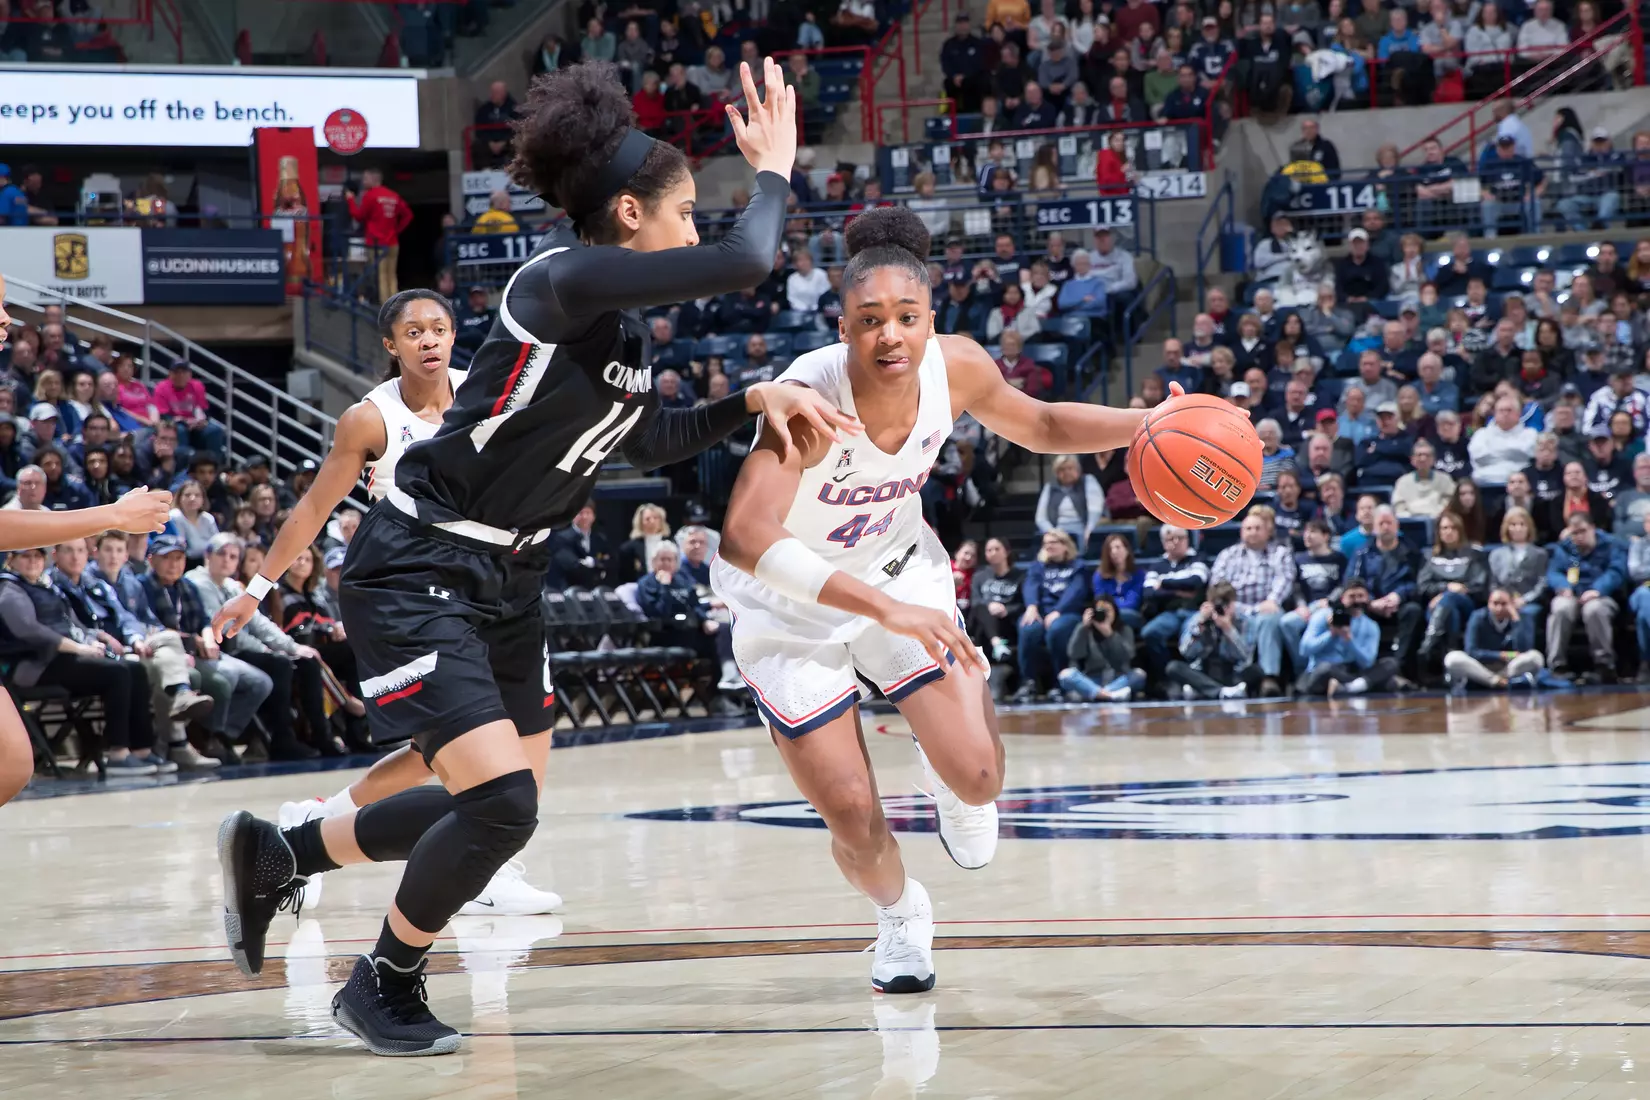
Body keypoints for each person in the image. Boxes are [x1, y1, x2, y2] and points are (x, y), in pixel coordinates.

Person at [212, 60, 859, 1058]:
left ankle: (285, 850)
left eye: (704, 214)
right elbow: (746, 259)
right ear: (630, 212)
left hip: (510, 580)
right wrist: (771, 171)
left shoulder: (620, 333)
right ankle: (383, 979)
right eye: (686, 212)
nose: (695, 230)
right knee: (504, 804)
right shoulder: (556, 282)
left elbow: (645, 444)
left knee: (500, 799)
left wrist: (751, 402)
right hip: (419, 564)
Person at [708, 204, 1156, 998]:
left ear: (930, 321)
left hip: (897, 570)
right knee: (849, 811)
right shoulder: (807, 399)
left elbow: (1046, 422)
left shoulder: (960, 366)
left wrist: (1148, 424)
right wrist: (883, 613)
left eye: (907, 319)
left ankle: (942, 767)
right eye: (870, 320)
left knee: (981, 780)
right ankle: (900, 917)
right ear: (841, 326)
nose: (890, 336)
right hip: (787, 604)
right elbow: (745, 535)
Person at [1208, 510, 1294, 696]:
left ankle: (1268, 678)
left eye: (1257, 528)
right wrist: (1236, 608)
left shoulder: (1280, 553)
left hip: (1267, 607)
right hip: (1235, 608)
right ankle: (1233, 678)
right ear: (1241, 532)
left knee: (1269, 619)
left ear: (1267, 532)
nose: (1253, 532)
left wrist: (1272, 600)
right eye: (1248, 528)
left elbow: (1284, 580)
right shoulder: (1227, 555)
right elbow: (1217, 585)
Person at [1544, 510, 1623, 683]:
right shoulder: (1565, 548)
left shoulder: (1610, 544)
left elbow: (1616, 571)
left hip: (1600, 595)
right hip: (1572, 594)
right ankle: (1557, 666)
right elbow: (1553, 572)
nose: (1579, 536)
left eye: (1583, 531)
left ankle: (1604, 665)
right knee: (1560, 607)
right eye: (1574, 533)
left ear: (1592, 528)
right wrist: (1563, 586)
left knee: (1594, 609)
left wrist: (1597, 589)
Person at [1346, 505, 1423, 675]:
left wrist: (1398, 596)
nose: (1385, 527)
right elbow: (1352, 583)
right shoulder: (1362, 553)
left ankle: (1400, 669)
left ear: (1397, 525)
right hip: (1368, 604)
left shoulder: (1411, 552)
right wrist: (1371, 601)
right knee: (1353, 609)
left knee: (1414, 611)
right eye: (1381, 523)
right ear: (1373, 527)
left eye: (1389, 523)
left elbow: (1418, 583)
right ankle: (1360, 669)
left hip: (1400, 603)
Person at [1296, 580, 1401, 696]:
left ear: (1367, 598)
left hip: (1352, 672)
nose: (1356, 601)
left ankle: (1350, 688)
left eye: (1360, 596)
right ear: (1342, 598)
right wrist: (1331, 634)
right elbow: (1304, 650)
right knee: (1325, 668)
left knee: (1391, 663)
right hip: (1324, 670)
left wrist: (1349, 640)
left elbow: (1367, 662)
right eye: (1352, 596)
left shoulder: (1371, 626)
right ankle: (1358, 687)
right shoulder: (1322, 616)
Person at [1416, 509, 1489, 671]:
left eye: (1452, 528)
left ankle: (1430, 642)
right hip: (1437, 607)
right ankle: (1451, 658)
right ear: (1439, 532)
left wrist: (1452, 593)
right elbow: (1422, 586)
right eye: (1444, 528)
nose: (1448, 532)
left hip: (1467, 604)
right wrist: (1446, 589)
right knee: (1450, 611)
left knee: (1449, 600)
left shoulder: (1473, 554)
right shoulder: (1430, 556)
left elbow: (1480, 585)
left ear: (1460, 530)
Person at [1165, 580, 1259, 699]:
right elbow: (1186, 653)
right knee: (1173, 667)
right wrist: (1199, 628)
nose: (1221, 608)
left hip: (1233, 672)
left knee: (1256, 671)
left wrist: (1229, 630)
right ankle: (1220, 692)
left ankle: (1204, 690)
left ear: (1233, 602)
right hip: (1203, 670)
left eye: (1226, 603)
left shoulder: (1245, 621)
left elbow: (1246, 657)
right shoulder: (1197, 620)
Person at [1443, 586, 1544, 689]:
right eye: (1495, 603)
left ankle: (1500, 679)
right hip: (1481, 666)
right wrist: (1501, 655)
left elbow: (1524, 649)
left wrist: (1516, 620)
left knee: (1535, 657)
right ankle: (1494, 681)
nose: (1499, 608)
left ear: (1512, 604)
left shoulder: (1523, 618)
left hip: (1508, 667)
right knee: (1452, 658)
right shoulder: (1478, 617)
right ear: (1488, 603)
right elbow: (1471, 650)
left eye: (1504, 604)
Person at [1059, 595, 1146, 701]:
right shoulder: (1085, 630)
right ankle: (1110, 695)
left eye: (1107, 611)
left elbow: (1126, 656)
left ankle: (1095, 694)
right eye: (1100, 611)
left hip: (1118, 678)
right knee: (1066, 674)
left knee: (1139, 674)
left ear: (1115, 612)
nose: (1104, 614)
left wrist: (1110, 634)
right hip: (1092, 678)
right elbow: (1074, 654)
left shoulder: (1125, 629)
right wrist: (1083, 628)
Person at [968, 536, 1025, 670]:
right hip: (982, 620)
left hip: (1006, 620)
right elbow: (975, 600)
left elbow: (1022, 604)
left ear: (1006, 551)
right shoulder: (979, 576)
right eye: (989, 550)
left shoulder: (1020, 576)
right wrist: (990, 605)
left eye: (997, 549)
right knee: (981, 608)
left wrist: (1006, 610)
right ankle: (997, 643)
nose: (993, 553)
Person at [1033, 453, 1104, 546]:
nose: (1066, 472)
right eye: (1062, 469)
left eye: (1070, 468)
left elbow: (1095, 510)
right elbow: (1040, 518)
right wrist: (1053, 532)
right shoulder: (1049, 487)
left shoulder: (1088, 481)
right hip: (1058, 532)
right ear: (1056, 473)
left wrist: (1089, 529)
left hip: (1084, 530)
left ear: (1078, 470)